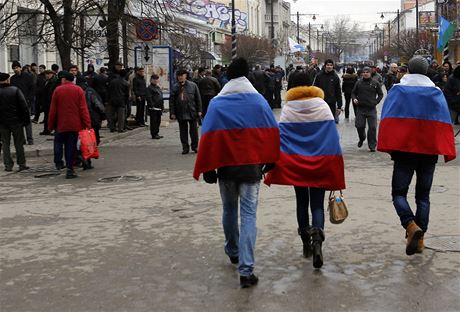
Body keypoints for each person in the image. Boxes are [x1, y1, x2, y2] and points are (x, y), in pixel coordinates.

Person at [193, 57, 280, 288]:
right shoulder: (259, 102)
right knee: (249, 215)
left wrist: (209, 168)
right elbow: (272, 131)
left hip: (226, 168)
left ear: (227, 76)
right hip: (252, 168)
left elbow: (208, 137)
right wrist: (270, 161)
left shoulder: (217, 104)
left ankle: (232, 250)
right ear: (248, 75)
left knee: (229, 210)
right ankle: (246, 269)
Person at [265, 70, 345, 269]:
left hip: (296, 164)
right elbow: (332, 137)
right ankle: (318, 240)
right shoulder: (322, 106)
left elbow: (281, 137)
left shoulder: (289, 108)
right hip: (319, 162)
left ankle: (305, 244)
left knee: (302, 203)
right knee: (317, 205)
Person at [377, 56, 456, 256]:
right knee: (423, 196)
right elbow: (443, 120)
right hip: (428, 152)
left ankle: (410, 226)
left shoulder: (398, 90)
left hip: (404, 151)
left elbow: (387, 117)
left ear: (409, 70)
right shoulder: (435, 92)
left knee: (398, 193)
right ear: (427, 70)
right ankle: (420, 239)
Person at [48, 71, 91, 179]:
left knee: (58, 142)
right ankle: (70, 169)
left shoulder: (57, 90)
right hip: (75, 125)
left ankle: (58, 161)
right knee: (70, 147)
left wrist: (50, 126)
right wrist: (87, 124)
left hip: (60, 124)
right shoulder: (78, 90)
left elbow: (53, 110)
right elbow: (83, 109)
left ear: (64, 79)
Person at [0, 72, 30, 172]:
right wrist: (25, 120)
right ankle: (21, 163)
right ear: (8, 80)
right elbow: (24, 106)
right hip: (16, 121)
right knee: (19, 143)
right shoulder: (15, 90)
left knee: (5, 144)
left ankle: (8, 165)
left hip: (2, 123)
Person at [169, 69, 202, 154]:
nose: (180, 77)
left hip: (192, 111)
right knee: (183, 131)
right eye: (179, 76)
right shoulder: (175, 87)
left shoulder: (193, 85)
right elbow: (171, 101)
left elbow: (198, 99)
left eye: (182, 75)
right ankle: (185, 147)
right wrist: (172, 113)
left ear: (186, 76)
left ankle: (195, 146)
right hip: (181, 111)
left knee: (194, 131)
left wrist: (199, 110)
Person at [351, 67, 384, 152]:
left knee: (372, 127)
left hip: (371, 109)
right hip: (361, 108)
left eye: (367, 72)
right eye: (364, 72)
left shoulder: (375, 83)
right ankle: (362, 138)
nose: (365, 73)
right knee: (359, 126)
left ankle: (372, 145)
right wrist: (354, 98)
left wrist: (376, 102)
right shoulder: (358, 83)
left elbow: (380, 94)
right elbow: (353, 93)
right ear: (362, 73)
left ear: (370, 73)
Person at [10, 61, 34, 145]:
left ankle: (30, 139)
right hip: (16, 103)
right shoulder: (13, 78)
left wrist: (29, 99)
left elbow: (32, 89)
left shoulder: (28, 77)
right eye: (13, 68)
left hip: (26, 102)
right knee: (19, 122)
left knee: (27, 122)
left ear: (20, 67)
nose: (15, 69)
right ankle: (22, 139)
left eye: (16, 67)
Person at [314, 59, 342, 123]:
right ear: (325, 66)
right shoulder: (319, 76)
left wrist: (339, 106)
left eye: (331, 65)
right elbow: (315, 89)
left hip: (331, 103)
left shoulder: (335, 77)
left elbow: (338, 92)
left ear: (333, 66)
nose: (329, 66)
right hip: (321, 103)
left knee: (330, 122)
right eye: (328, 65)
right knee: (321, 121)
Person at [40, 70, 59, 135]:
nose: (47, 75)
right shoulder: (47, 82)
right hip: (46, 102)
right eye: (46, 74)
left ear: (52, 74)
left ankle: (54, 129)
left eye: (48, 74)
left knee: (53, 116)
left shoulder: (54, 82)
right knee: (46, 116)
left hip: (51, 101)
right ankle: (46, 130)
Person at [147, 74, 164, 139]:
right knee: (153, 122)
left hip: (159, 107)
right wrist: (152, 105)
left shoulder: (157, 87)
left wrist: (162, 106)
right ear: (151, 80)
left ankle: (157, 133)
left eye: (156, 79)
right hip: (153, 108)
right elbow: (149, 97)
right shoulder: (149, 88)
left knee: (158, 121)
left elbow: (160, 97)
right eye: (154, 79)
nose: (155, 80)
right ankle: (154, 134)